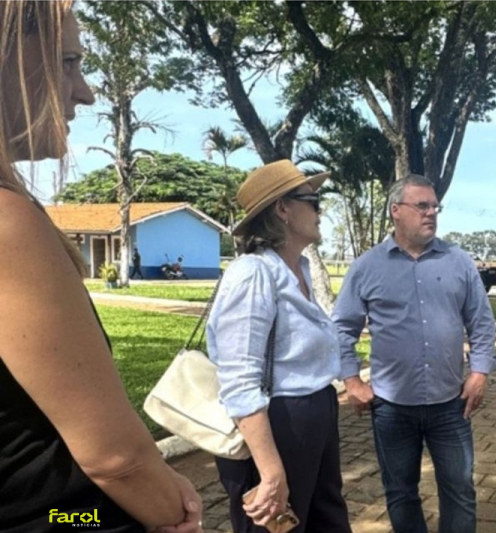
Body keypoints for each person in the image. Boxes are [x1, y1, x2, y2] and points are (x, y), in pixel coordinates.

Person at [0, 2, 201, 532]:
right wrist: (170, 510)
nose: (84, 90)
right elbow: (116, 459)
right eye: (68, 62)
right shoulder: (7, 224)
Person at [333, 174, 496, 533]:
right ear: (396, 211)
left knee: (459, 491)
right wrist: (351, 381)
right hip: (392, 407)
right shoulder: (367, 267)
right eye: (421, 206)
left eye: (434, 206)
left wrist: (480, 372)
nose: (431, 213)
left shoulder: (458, 261)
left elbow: (481, 322)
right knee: (400, 493)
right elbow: (342, 328)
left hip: (450, 404)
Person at [206, 160, 351, 533]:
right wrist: (271, 472)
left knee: (327, 521)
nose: (321, 210)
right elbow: (239, 380)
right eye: (313, 201)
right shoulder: (254, 273)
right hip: (277, 424)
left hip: (315, 412)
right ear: (282, 209)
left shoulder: (296, 269)